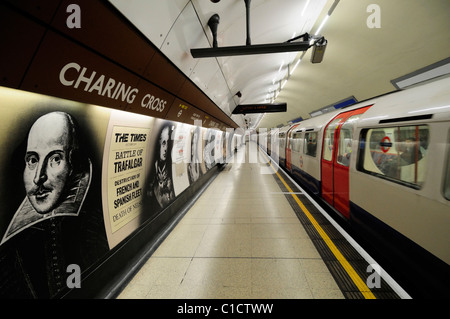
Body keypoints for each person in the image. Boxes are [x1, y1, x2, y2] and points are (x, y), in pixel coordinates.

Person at [0, 111, 108, 298]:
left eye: (55, 159)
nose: (38, 177)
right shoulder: (10, 253)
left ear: (73, 164)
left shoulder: (92, 226)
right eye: (32, 160)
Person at [149, 123, 175, 210]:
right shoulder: (152, 169)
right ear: (158, 144)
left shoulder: (169, 167)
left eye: (167, 143)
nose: (166, 148)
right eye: (163, 143)